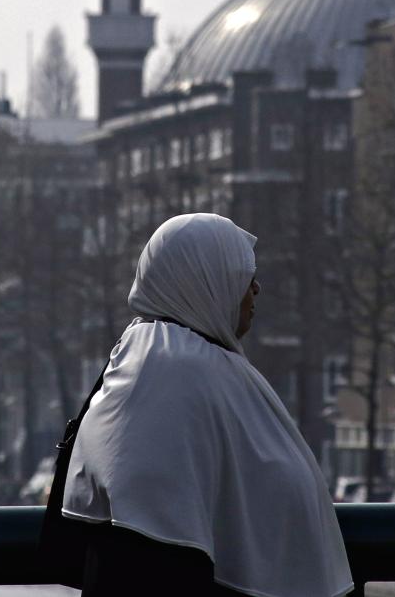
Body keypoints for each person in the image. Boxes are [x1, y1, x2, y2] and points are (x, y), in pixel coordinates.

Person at [60, 213, 354, 597]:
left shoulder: (147, 356)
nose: (256, 289)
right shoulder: (175, 372)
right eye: (243, 276)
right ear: (205, 283)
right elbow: (159, 530)